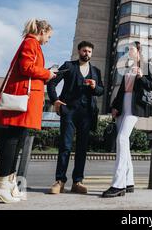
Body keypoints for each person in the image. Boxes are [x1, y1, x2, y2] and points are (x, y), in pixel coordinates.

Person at [0, 19, 56, 204]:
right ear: (42, 31)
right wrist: (47, 74)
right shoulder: (30, 42)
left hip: (25, 100)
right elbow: (26, 68)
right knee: (12, 140)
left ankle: (8, 183)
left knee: (17, 140)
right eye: (49, 36)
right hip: (21, 100)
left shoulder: (32, 43)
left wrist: (46, 74)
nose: (49, 40)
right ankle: (1, 184)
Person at [47, 41, 104, 195]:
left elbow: (101, 91)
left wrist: (94, 87)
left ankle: (77, 182)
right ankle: (60, 181)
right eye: (84, 50)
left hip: (86, 114)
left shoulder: (96, 71)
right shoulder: (69, 65)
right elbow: (52, 83)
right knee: (65, 146)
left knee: (82, 149)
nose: (87, 53)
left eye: (90, 52)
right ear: (79, 51)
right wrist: (55, 100)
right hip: (69, 112)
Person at [103, 41, 152, 198]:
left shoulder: (146, 66)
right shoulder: (128, 68)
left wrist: (141, 76)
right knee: (123, 144)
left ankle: (118, 185)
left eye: (131, 49)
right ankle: (129, 182)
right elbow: (121, 90)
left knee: (122, 139)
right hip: (122, 106)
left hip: (135, 107)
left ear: (138, 50)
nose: (129, 51)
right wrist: (114, 107)